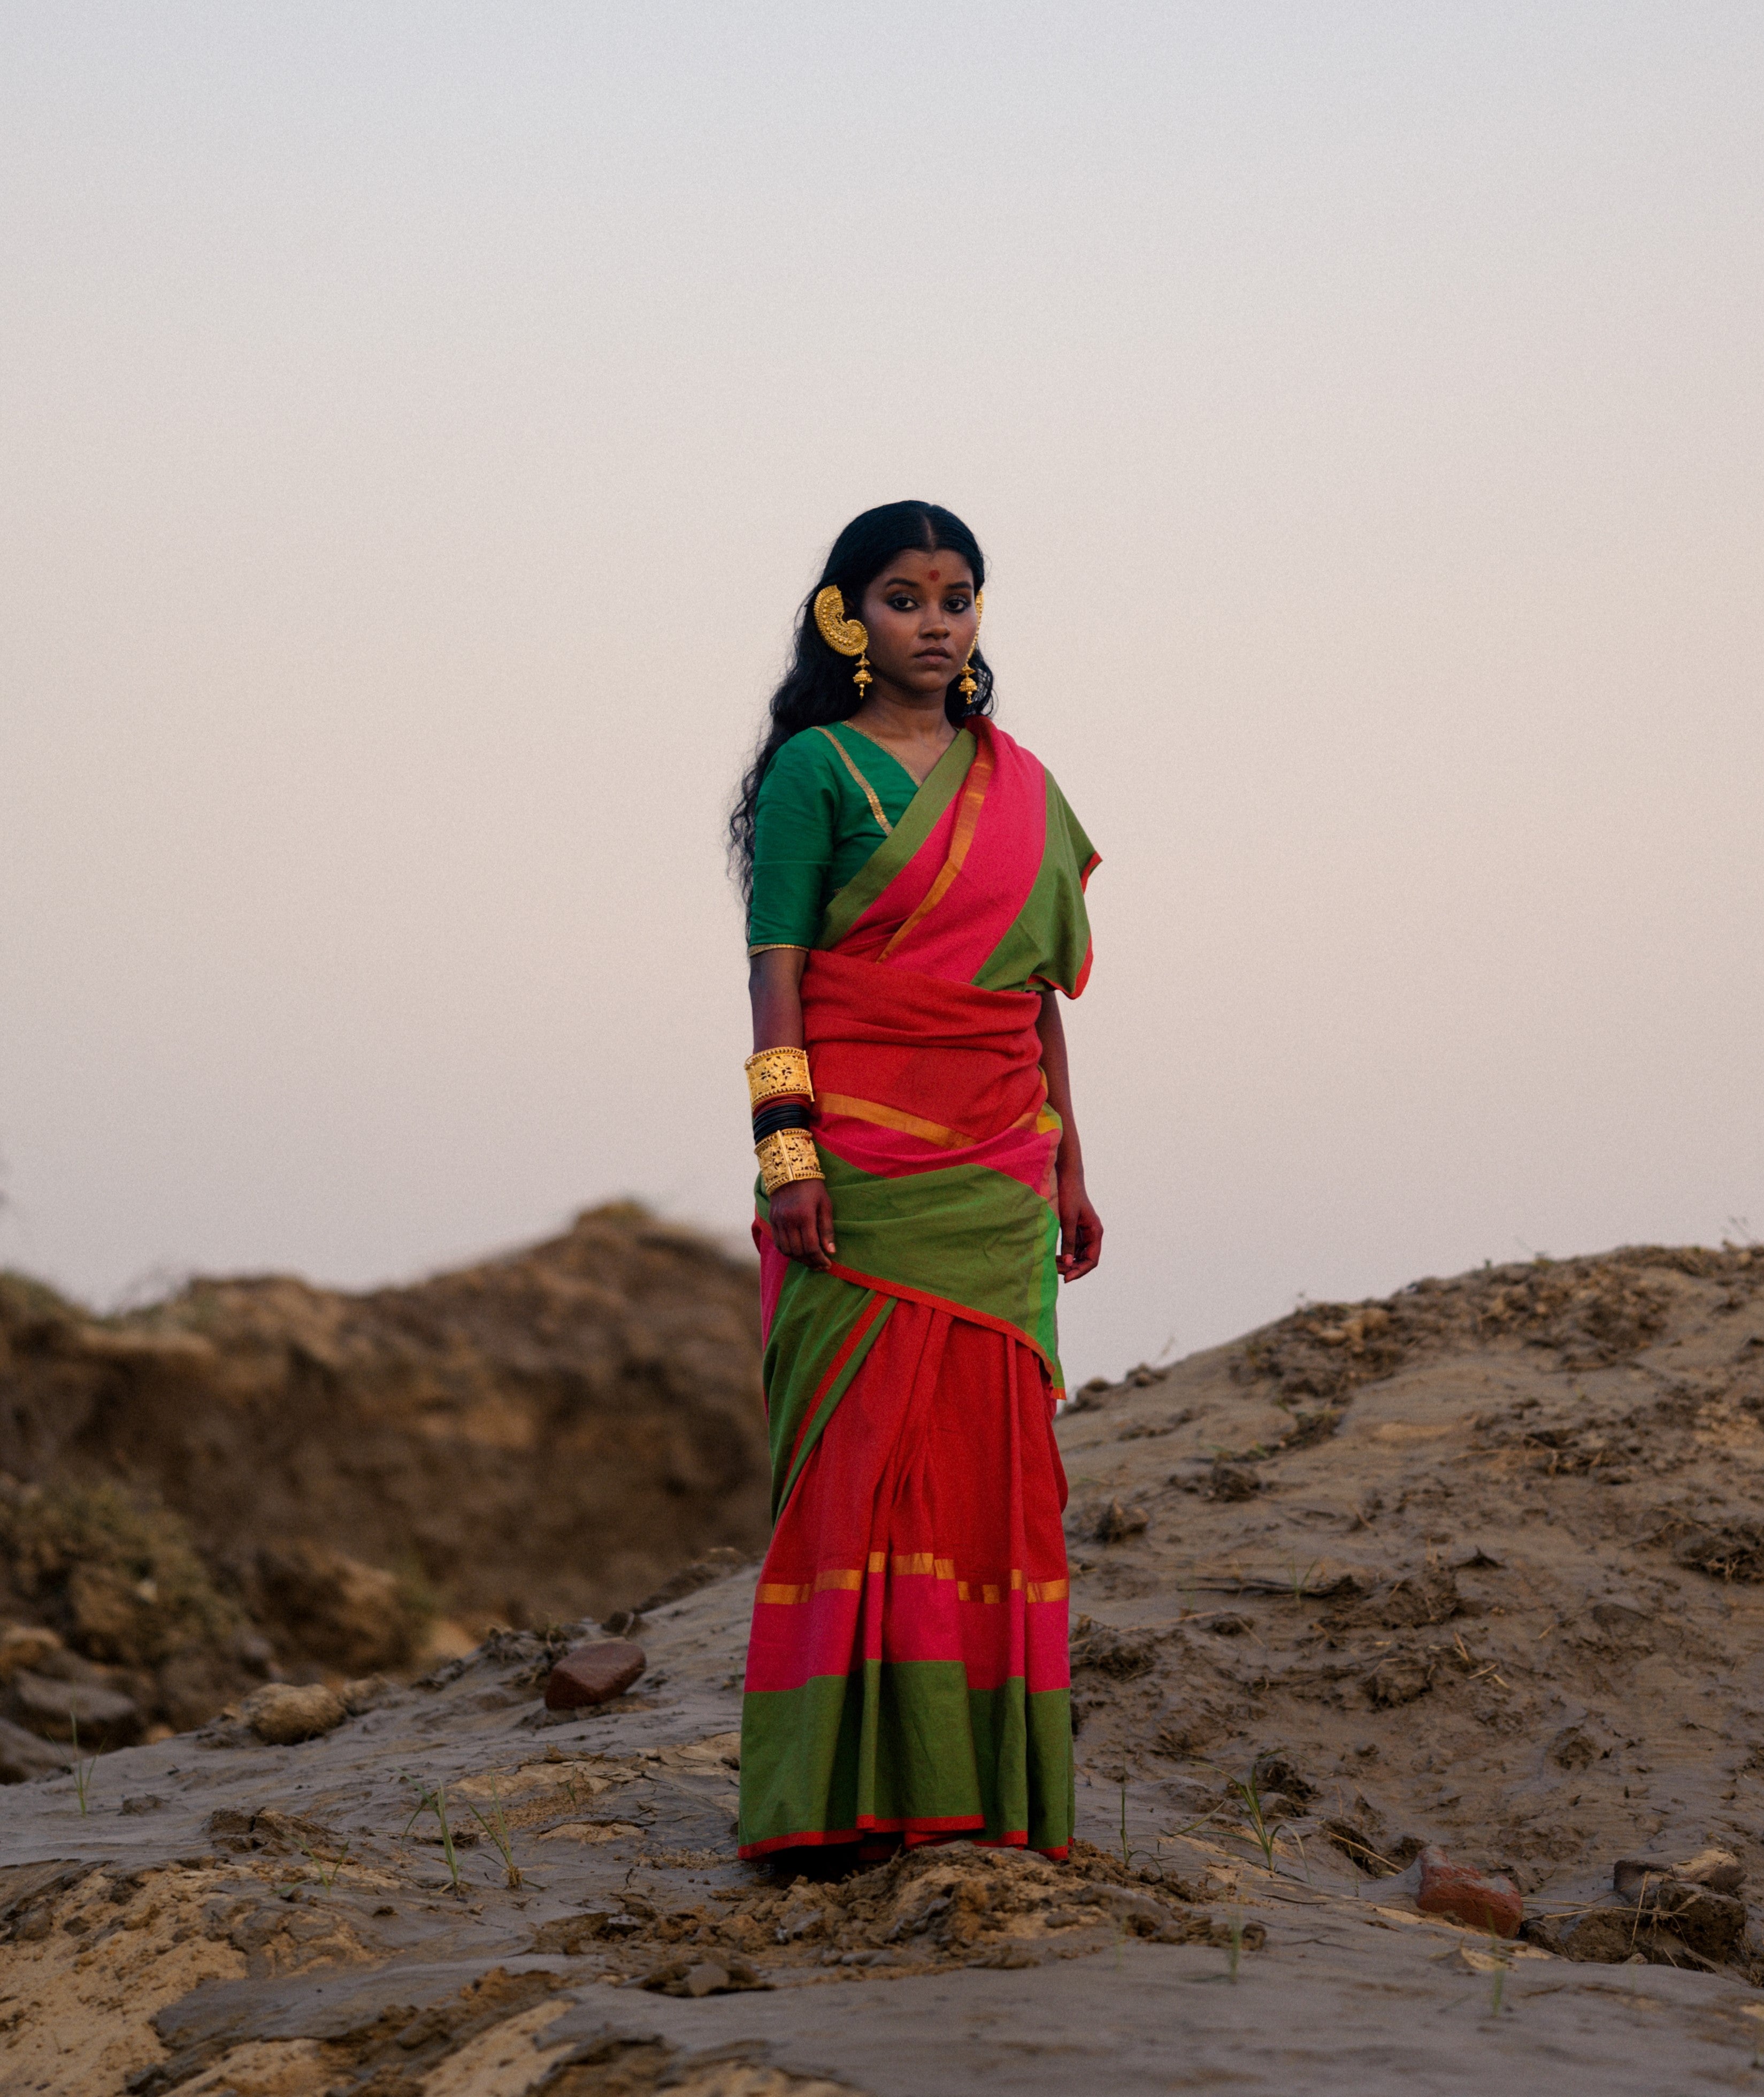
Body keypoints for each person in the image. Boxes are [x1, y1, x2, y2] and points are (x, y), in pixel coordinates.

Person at [730, 500, 1101, 1870]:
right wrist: (787, 1151)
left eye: (955, 598)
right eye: (902, 597)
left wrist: (1070, 1164)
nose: (934, 623)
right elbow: (775, 970)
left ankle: (979, 1796)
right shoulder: (812, 773)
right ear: (848, 616)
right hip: (860, 1162)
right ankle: (831, 1806)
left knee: (990, 1474)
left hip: (1000, 1168)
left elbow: (1038, 992)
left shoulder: (1019, 782)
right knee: (853, 1465)